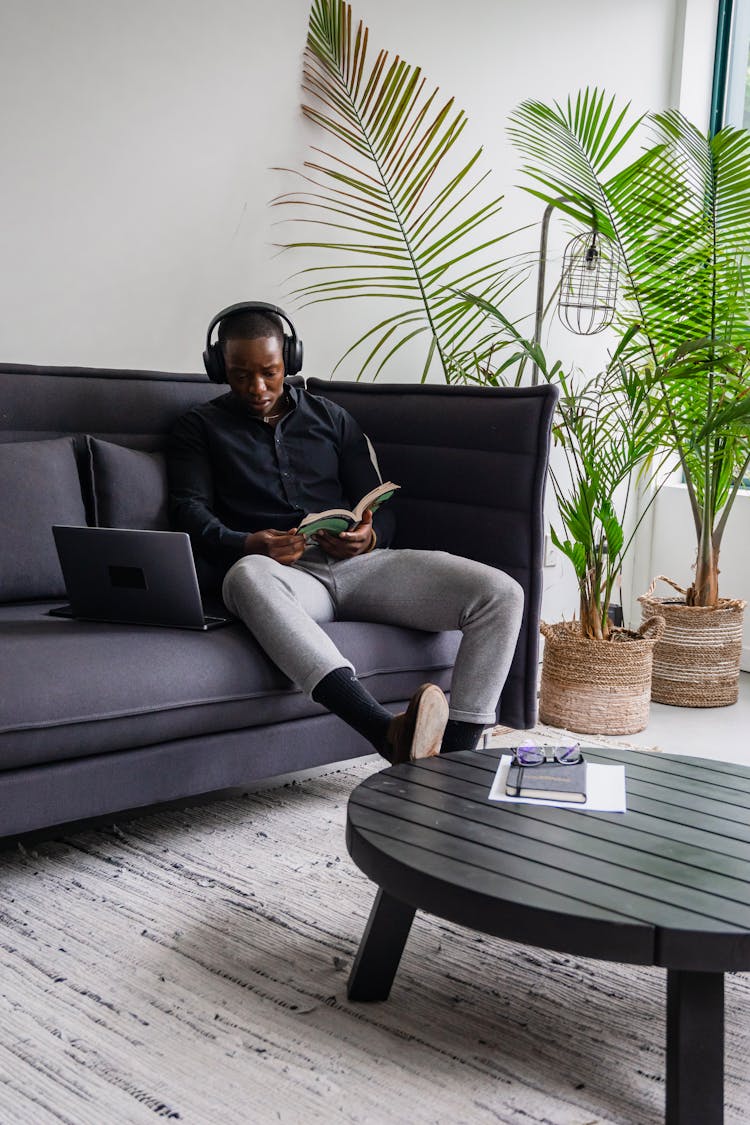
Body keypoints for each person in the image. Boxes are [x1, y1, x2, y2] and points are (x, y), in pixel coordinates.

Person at [167, 302, 524, 765]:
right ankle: (382, 730)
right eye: (240, 375)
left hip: (363, 569)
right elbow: (188, 510)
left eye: (270, 373)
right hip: (288, 579)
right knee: (245, 575)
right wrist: (248, 542)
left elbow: (379, 505)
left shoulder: (332, 418)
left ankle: (456, 760)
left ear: (290, 361)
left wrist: (368, 536)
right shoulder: (199, 428)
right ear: (218, 369)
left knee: (501, 593)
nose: (257, 388)